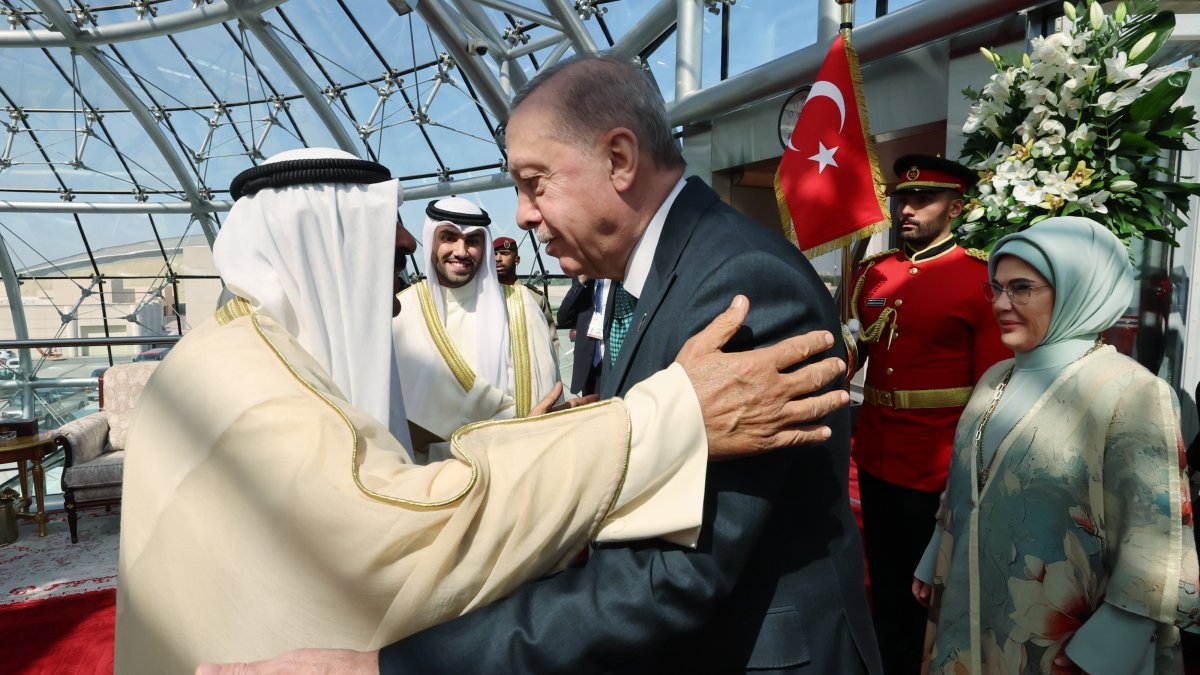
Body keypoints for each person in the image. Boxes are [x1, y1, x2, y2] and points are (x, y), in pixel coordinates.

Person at [115, 147, 851, 674]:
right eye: (390, 260)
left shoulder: (225, 352)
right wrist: (668, 414)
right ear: (325, 256)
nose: (397, 285)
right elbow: (407, 524)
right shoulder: (258, 379)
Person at [363, 53, 882, 673]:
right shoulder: (659, 272)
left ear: (619, 160)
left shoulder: (740, 286)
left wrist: (401, 666)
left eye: (534, 182)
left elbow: (671, 576)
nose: (524, 214)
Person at [912, 216, 1200, 674]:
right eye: (997, 288)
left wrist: (1109, 647)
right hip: (969, 599)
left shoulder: (1129, 391)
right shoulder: (996, 378)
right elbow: (969, 482)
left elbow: (1155, 534)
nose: (1001, 304)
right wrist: (935, 557)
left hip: (1068, 643)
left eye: (1022, 288)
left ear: (1076, 290)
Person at [849, 154, 1010, 674]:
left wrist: (968, 474)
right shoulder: (875, 274)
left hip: (935, 465)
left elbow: (992, 391)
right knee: (884, 581)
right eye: (903, 200)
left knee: (927, 594)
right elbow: (860, 351)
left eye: (924, 200)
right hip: (873, 455)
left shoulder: (977, 280)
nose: (908, 209)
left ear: (956, 208)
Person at [393, 199, 560, 459]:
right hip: (425, 479)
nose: (461, 251)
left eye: (472, 241)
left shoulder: (521, 305)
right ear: (431, 240)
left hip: (516, 463)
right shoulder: (402, 310)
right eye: (448, 238)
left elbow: (545, 394)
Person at [556, 275, 604, 396]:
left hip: (612, 363)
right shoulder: (587, 281)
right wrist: (580, 282)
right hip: (589, 368)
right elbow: (563, 319)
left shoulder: (618, 281)